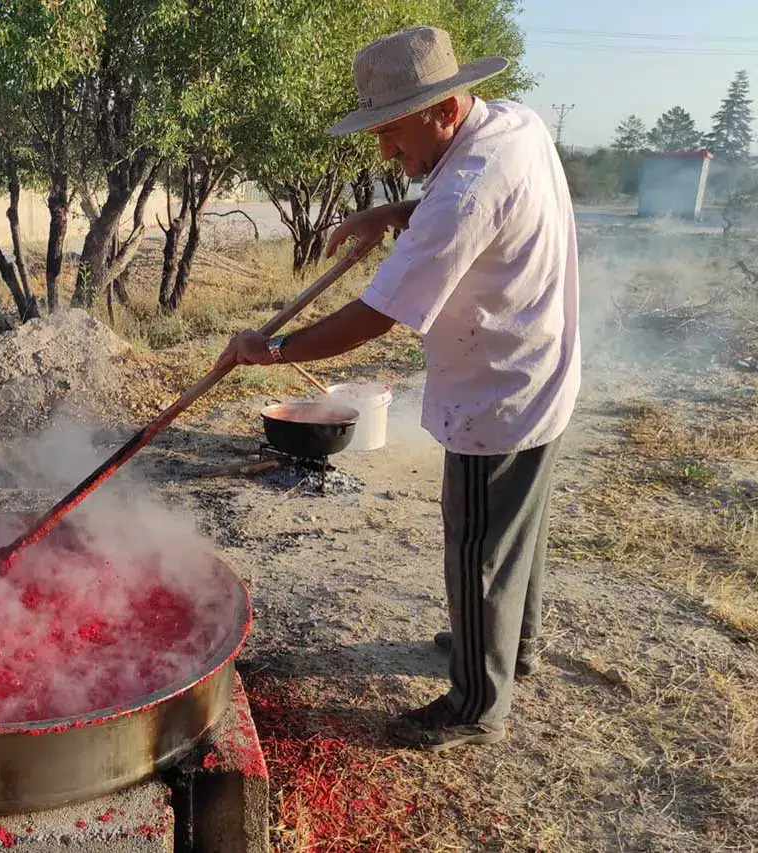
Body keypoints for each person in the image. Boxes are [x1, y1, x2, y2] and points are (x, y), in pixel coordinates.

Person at [215, 25, 580, 752]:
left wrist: (273, 349)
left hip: (497, 394)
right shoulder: (513, 124)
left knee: (478, 548)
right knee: (517, 530)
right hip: (542, 368)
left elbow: (376, 316)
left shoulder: (463, 193)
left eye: (391, 131)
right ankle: (513, 643)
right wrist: (391, 212)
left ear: (444, 110)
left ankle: (477, 703)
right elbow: (470, 195)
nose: (384, 150)